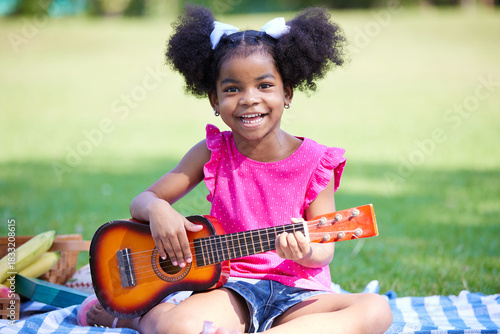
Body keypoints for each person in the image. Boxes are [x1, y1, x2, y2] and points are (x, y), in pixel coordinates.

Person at [86, 4, 393, 333]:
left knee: (377, 310)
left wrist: (305, 252)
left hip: (301, 293)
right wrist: (158, 208)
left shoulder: (317, 161)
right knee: (179, 327)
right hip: (233, 289)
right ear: (214, 101)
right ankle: (138, 317)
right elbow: (142, 201)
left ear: (287, 92)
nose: (249, 99)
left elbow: (324, 251)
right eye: (232, 89)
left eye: (264, 86)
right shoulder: (212, 151)